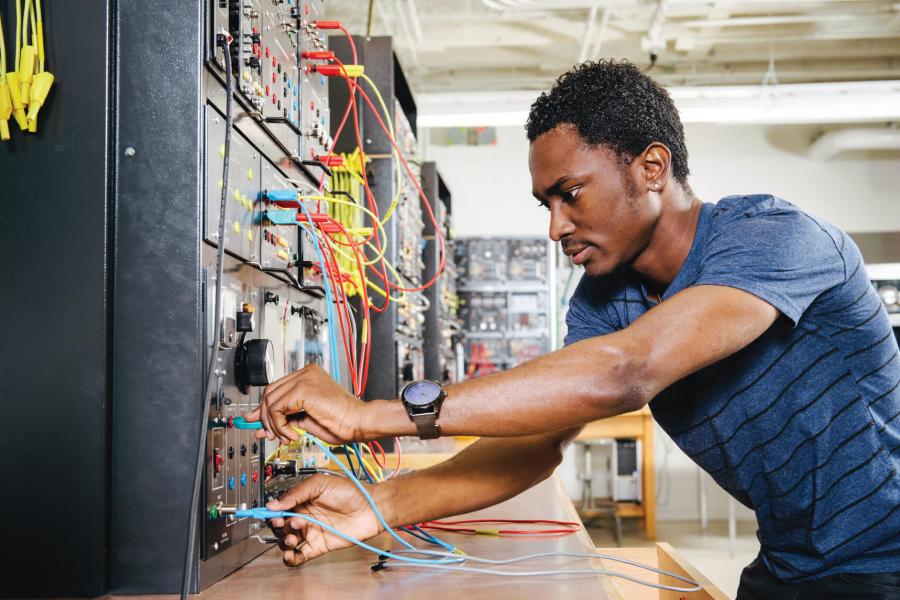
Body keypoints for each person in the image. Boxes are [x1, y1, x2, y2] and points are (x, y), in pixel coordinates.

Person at [244, 60, 900, 599]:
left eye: (571, 194)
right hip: (793, 566)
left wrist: (371, 416)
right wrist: (380, 504)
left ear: (651, 168)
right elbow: (535, 443)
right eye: (546, 204)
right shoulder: (603, 300)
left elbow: (626, 369)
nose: (555, 227)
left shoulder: (774, 239)